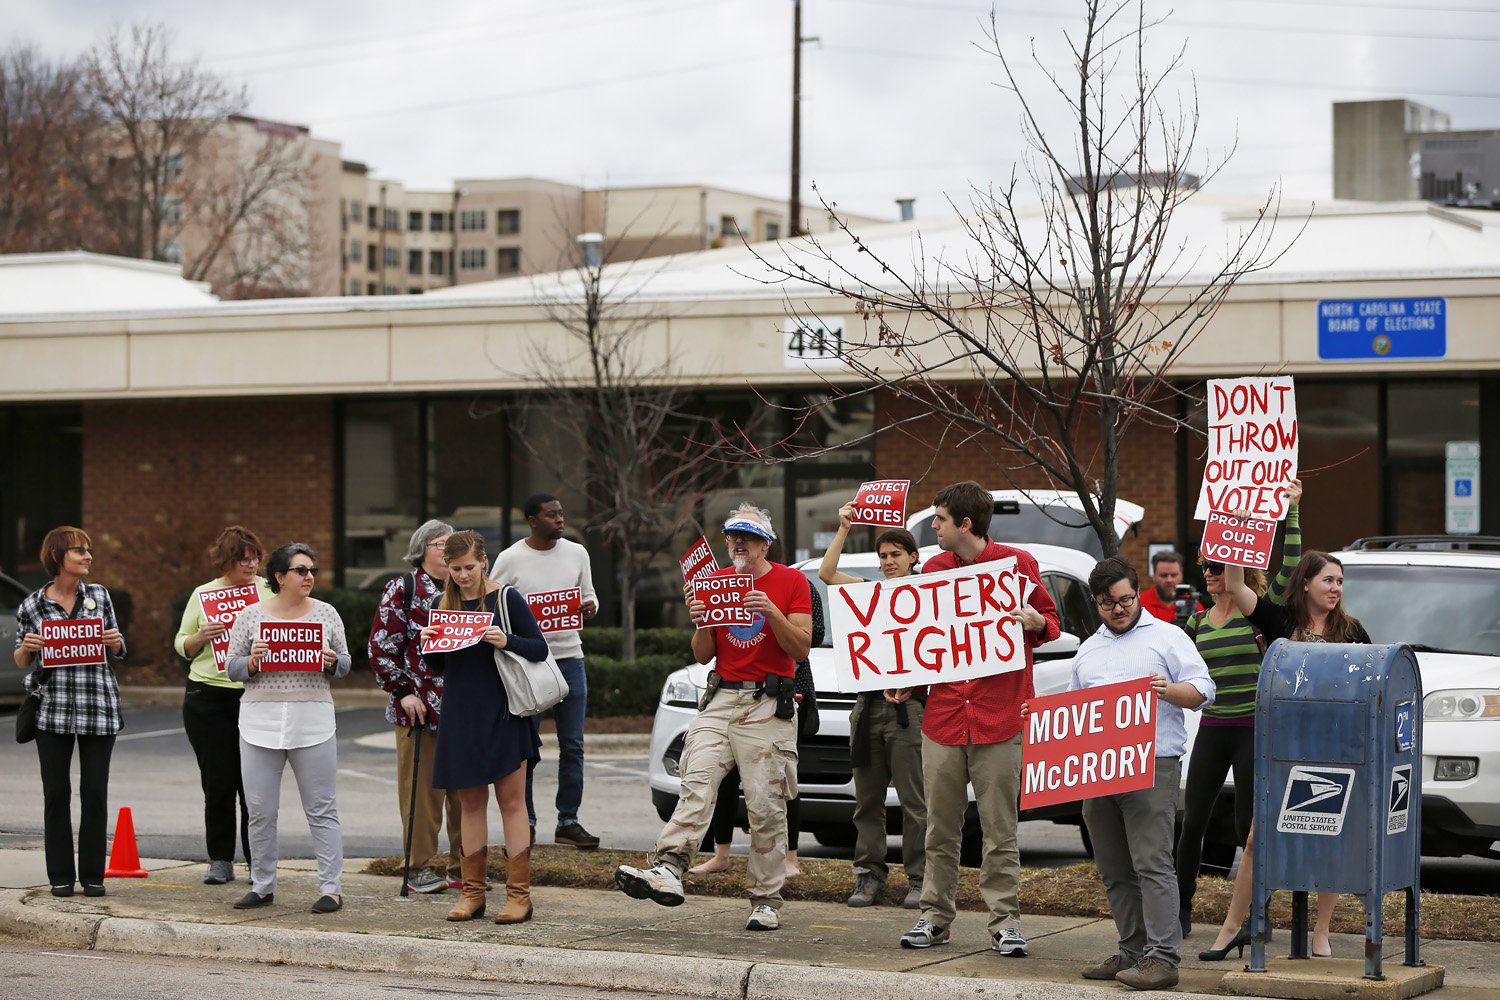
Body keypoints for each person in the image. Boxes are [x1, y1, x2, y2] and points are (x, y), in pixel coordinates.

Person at [615, 503, 812, 932]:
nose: (738, 543)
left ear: (766, 543)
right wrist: (702, 621)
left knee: (765, 804)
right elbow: (703, 654)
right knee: (697, 780)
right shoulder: (714, 583)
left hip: (767, 703)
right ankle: (669, 868)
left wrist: (772, 612)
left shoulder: (791, 581)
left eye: (748, 536)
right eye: (731, 536)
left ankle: (765, 900)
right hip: (722, 697)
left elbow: (800, 648)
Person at [900, 481, 1059, 956]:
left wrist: (1036, 624)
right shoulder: (933, 568)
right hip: (945, 717)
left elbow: (1052, 623)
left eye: (940, 519)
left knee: (999, 827)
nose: (934, 527)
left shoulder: (1018, 565)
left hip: (1000, 716)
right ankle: (934, 917)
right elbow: (919, 637)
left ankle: (1004, 922)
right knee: (940, 827)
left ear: (965, 524)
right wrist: (906, 676)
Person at [1204, 547, 1372, 960]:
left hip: (1335, 749)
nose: (1336, 588)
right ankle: (1231, 929)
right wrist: (1237, 537)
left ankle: (1322, 930)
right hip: (1284, 748)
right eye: (1328, 580)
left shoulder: (1352, 631)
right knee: (1257, 836)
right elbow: (1237, 585)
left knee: (1332, 835)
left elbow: (1370, 682)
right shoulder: (1281, 622)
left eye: (1340, 580)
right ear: (1307, 583)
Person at [1072, 556, 1214, 992]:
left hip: (1153, 763)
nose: (1118, 609)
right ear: (1095, 604)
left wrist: (1166, 690)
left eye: (1125, 599)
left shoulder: (1168, 637)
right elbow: (1076, 715)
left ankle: (1164, 956)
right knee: (1114, 867)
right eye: (1107, 603)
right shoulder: (1088, 649)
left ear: (1137, 593)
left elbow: (1203, 690)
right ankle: (1132, 950)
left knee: (1152, 862)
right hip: (1099, 768)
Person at [1175, 481, 1302, 939]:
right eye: (1205, 567)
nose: (1209, 573)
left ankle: (1254, 915)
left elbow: (1289, 564)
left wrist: (1291, 512)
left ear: (1237, 564)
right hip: (1213, 726)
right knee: (1193, 822)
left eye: (1217, 565)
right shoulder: (1196, 621)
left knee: (1247, 825)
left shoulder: (1260, 610)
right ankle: (1181, 905)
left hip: (1252, 726)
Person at [422, 530, 550, 924]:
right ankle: (473, 893)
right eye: (455, 569)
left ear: (484, 561)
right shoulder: (442, 603)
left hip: (505, 711)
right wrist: (429, 645)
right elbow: (442, 668)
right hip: (461, 713)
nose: (462, 575)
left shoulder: (506, 598)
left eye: (469, 567)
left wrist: (505, 639)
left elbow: (539, 648)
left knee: (512, 803)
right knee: (471, 805)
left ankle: (519, 896)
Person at [226, 542, 351, 914]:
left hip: (312, 720)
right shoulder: (250, 616)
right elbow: (232, 667)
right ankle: (262, 885)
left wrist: (332, 661)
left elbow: (345, 662)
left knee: (321, 807)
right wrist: (252, 662)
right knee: (260, 809)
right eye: (300, 570)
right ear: (279, 576)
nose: (309, 576)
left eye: (311, 569)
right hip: (259, 722)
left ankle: (331, 888)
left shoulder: (326, 614)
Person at [815, 503, 927, 909]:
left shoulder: (929, 595)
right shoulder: (869, 591)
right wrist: (844, 528)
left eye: (896, 554)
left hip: (911, 710)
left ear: (914, 557)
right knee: (867, 800)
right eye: (883, 556)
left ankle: (920, 878)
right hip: (867, 707)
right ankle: (868, 876)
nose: (888, 562)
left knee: (916, 801)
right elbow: (827, 574)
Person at [12, 526, 127, 899]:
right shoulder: (33, 605)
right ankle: (60, 875)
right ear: (59, 556)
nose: (88, 556)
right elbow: (20, 658)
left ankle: (93, 875)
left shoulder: (99, 595)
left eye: (89, 550)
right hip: (53, 709)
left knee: (94, 791)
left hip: (98, 705)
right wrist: (28, 647)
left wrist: (116, 641)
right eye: (80, 550)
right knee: (56, 793)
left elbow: (118, 645)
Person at [489, 493, 600, 850]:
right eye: (552, 515)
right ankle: (528, 821)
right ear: (533, 521)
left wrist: (589, 607)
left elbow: (590, 596)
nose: (560, 520)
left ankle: (568, 820)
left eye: (561, 513)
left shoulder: (577, 552)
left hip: (570, 658)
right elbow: (493, 601)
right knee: (527, 748)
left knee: (573, 745)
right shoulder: (510, 559)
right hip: (528, 662)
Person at [368, 518, 466, 894]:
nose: (448, 549)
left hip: (462, 710)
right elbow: (380, 648)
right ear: (422, 549)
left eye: (453, 543)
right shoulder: (404, 588)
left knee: (466, 794)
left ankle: (464, 867)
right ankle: (419, 867)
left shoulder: (465, 588)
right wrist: (402, 692)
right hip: (420, 709)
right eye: (442, 544)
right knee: (422, 794)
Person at [175, 525, 272, 886]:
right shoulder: (204, 595)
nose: (250, 565)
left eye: (255, 557)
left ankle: (257, 861)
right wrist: (199, 638)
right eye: (242, 559)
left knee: (255, 785)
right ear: (226, 561)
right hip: (207, 696)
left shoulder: (268, 591)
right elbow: (181, 643)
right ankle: (220, 859)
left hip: (255, 692)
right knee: (218, 782)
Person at [1139, 551, 1200, 624]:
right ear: (1154, 576)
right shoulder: (1140, 604)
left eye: (1174, 575)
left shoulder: (1192, 605)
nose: (1169, 580)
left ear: (1181, 575)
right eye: (1163, 575)